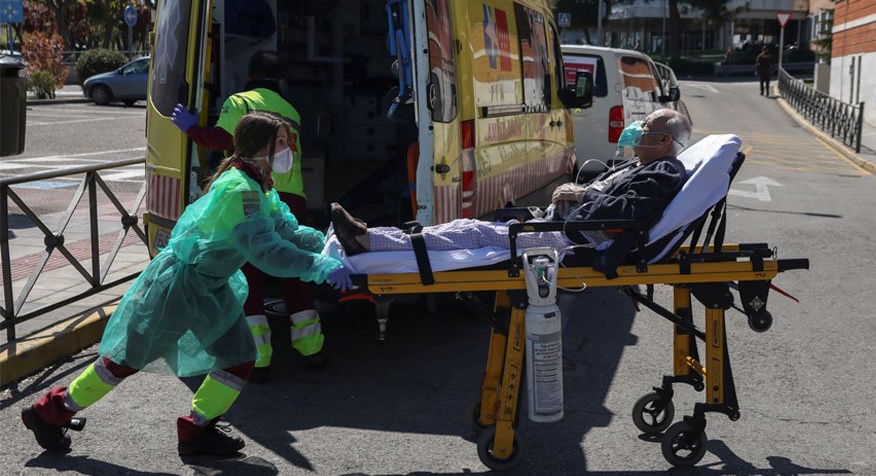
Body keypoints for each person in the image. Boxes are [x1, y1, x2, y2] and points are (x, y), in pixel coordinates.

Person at [21, 113, 352, 456]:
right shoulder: (240, 190)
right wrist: (318, 266)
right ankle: (48, 413)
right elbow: (265, 251)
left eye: (287, 142)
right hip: (179, 287)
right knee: (123, 361)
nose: (288, 150)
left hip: (208, 287)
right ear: (258, 147)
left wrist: (328, 242)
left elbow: (286, 231)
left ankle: (197, 430)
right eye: (280, 142)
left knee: (239, 357)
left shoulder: (260, 185)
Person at [330, 109, 692, 257]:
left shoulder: (664, 171)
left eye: (646, 128)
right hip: (562, 226)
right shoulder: (644, 165)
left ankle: (369, 242)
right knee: (464, 227)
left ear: (664, 141)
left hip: (572, 239)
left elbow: (628, 210)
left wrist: (583, 193)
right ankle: (374, 238)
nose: (638, 131)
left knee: (472, 232)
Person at [171, 50, 322, 383]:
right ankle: (312, 348)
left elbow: (222, 140)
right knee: (294, 270)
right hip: (292, 196)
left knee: (249, 275)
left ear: (250, 76)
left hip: (255, 194)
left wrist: (193, 129)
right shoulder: (291, 109)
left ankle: (259, 359)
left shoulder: (239, 102)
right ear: (280, 80)